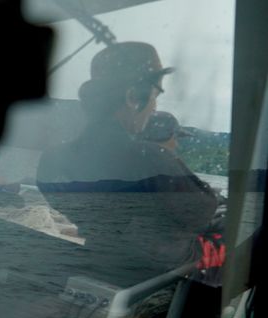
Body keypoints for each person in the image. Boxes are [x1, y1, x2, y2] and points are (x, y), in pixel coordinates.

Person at [36, 42, 218, 289]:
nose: (154, 106)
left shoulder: (52, 160)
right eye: (155, 95)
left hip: (101, 264)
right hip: (153, 282)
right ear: (132, 97)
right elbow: (201, 211)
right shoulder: (149, 158)